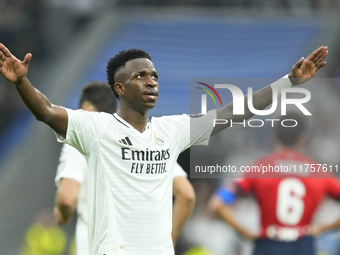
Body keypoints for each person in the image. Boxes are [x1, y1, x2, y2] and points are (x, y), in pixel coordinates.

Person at [0, 43, 328, 255]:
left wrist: (289, 82)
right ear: (119, 88)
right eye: (140, 75)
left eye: (154, 75)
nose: (151, 81)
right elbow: (45, 111)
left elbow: (234, 111)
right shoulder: (96, 129)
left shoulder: (172, 131)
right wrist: (20, 82)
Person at [53, 81, 196, 254]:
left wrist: (63, 215)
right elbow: (186, 195)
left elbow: (66, 199)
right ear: (115, 112)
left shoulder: (81, 139)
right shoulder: (145, 141)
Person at [208, 111, 340, 255]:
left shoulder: (259, 168)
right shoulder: (318, 172)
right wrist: (323, 229)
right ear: (302, 139)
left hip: (268, 245)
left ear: (274, 136)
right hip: (303, 245)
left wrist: (245, 232)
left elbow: (217, 204)